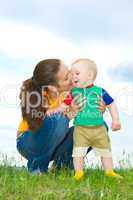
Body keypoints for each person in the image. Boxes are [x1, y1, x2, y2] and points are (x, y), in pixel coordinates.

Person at [16, 59, 87, 174]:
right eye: (66, 78)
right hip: (27, 142)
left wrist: (72, 114)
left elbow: (60, 125)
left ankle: (62, 167)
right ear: (51, 88)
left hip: (52, 144)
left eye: (70, 72)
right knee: (59, 120)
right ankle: (37, 169)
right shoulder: (40, 96)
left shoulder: (70, 94)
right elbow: (41, 122)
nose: (72, 77)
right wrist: (59, 110)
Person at [68, 58, 122, 180]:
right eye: (71, 74)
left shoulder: (100, 91)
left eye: (76, 73)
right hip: (80, 129)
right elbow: (65, 106)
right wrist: (69, 108)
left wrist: (116, 120)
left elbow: (111, 104)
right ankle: (79, 172)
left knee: (105, 151)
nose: (73, 77)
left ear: (89, 76)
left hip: (99, 129)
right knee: (78, 152)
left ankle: (109, 171)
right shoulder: (73, 92)